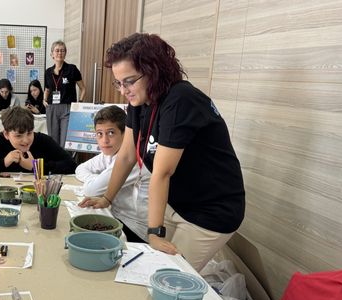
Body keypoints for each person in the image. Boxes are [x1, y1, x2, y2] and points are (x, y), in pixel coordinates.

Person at [79, 33, 245, 272]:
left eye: (129, 81)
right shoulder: (140, 102)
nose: (123, 90)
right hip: (178, 202)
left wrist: (154, 232)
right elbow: (126, 156)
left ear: (153, 71)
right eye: (119, 83)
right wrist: (107, 198)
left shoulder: (181, 100)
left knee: (167, 275)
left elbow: (163, 172)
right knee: (151, 266)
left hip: (211, 211)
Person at [75, 106, 150, 242]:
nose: (104, 140)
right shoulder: (109, 152)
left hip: (135, 229)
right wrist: (99, 179)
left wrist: (98, 183)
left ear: (125, 134)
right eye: (99, 134)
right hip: (116, 214)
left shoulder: (131, 157)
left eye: (111, 133)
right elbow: (80, 169)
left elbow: (91, 189)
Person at [0, 106, 76, 175]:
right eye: (18, 135)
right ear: (6, 134)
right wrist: (3, 162)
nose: (25, 140)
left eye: (29, 133)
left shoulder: (43, 141)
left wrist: (36, 167)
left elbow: (72, 165)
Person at [43, 40, 85, 147]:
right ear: (52, 54)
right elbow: (47, 89)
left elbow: (83, 88)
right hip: (52, 107)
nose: (59, 53)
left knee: (65, 141)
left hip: (67, 107)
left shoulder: (72, 69)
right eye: (57, 51)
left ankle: (64, 163)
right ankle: (54, 163)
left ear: (65, 53)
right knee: (53, 140)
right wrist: (44, 100)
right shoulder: (48, 72)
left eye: (62, 51)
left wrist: (79, 102)